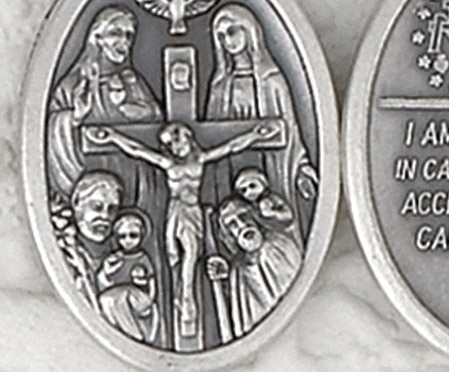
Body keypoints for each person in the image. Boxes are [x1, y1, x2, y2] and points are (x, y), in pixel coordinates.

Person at [85, 120, 281, 338]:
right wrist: (113, 137)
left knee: (191, 253)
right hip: (174, 211)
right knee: (173, 257)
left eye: (176, 141)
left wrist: (256, 135)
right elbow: (137, 150)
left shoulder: (200, 159)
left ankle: (187, 298)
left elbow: (231, 147)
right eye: (170, 145)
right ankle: (179, 297)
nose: (175, 148)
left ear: (188, 136)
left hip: (191, 212)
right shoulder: (169, 164)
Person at [204, 3, 317, 241]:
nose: (227, 41)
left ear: (249, 31)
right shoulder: (220, 87)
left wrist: (302, 168)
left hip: (269, 167)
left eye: (232, 31)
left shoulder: (272, 81)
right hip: (233, 168)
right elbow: (209, 136)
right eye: (221, 36)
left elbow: (290, 131)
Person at [47, 5, 163, 201]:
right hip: (96, 176)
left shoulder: (133, 82)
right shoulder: (73, 85)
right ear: (98, 38)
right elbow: (49, 130)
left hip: (136, 176)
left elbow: (159, 125)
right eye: (115, 33)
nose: (124, 41)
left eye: (128, 35)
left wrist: (136, 111)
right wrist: (75, 117)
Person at [206, 196, 301, 338]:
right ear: (229, 236)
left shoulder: (280, 245)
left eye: (244, 216)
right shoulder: (237, 270)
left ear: (255, 217)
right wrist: (225, 278)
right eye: (232, 224)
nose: (242, 225)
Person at [52, 170, 123, 309]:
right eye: (97, 207)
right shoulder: (66, 249)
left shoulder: (119, 253)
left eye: (112, 209)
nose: (105, 216)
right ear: (76, 202)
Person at [97, 210, 159, 344]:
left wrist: (148, 294)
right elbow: (104, 284)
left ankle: (133, 334)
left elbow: (152, 282)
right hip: (117, 297)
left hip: (138, 298)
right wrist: (106, 273)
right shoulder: (114, 259)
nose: (128, 240)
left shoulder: (142, 258)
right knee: (106, 299)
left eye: (133, 235)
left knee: (121, 296)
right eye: (122, 236)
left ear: (142, 235)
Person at [234, 167, 294, 232]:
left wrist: (273, 213)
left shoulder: (272, 198)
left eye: (252, 186)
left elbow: (288, 215)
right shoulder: (252, 206)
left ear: (263, 183)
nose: (249, 192)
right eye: (244, 190)